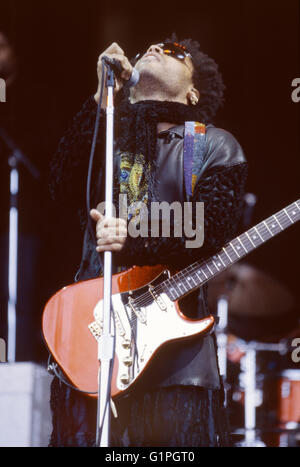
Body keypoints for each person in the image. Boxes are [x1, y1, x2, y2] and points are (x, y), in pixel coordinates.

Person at [48, 36, 248, 447]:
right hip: (93, 343)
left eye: (175, 51)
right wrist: (101, 98)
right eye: (151, 47)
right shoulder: (110, 139)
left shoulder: (212, 144)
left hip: (176, 362)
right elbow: (61, 187)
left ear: (193, 91)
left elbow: (208, 228)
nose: (157, 47)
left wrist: (131, 236)